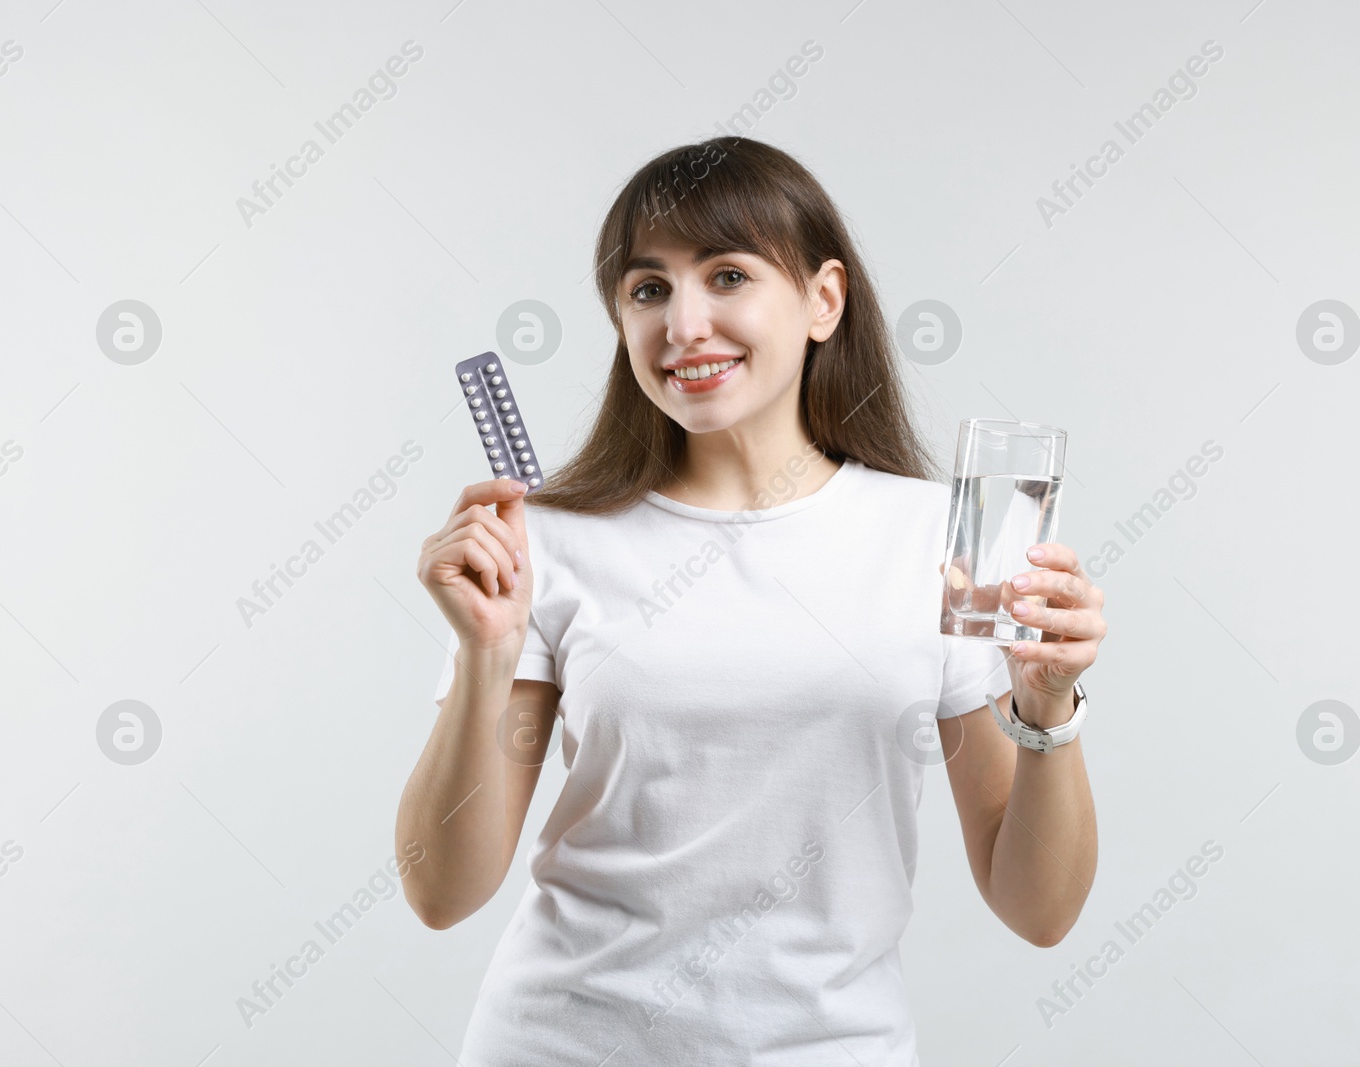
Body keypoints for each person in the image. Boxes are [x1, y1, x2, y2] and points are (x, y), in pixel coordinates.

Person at [397, 137, 1107, 1065]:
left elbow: (1039, 910)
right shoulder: (552, 542)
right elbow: (441, 894)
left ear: (823, 300)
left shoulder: (948, 545)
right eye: (649, 289)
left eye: (727, 275)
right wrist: (489, 656)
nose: (683, 323)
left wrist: (1047, 707)